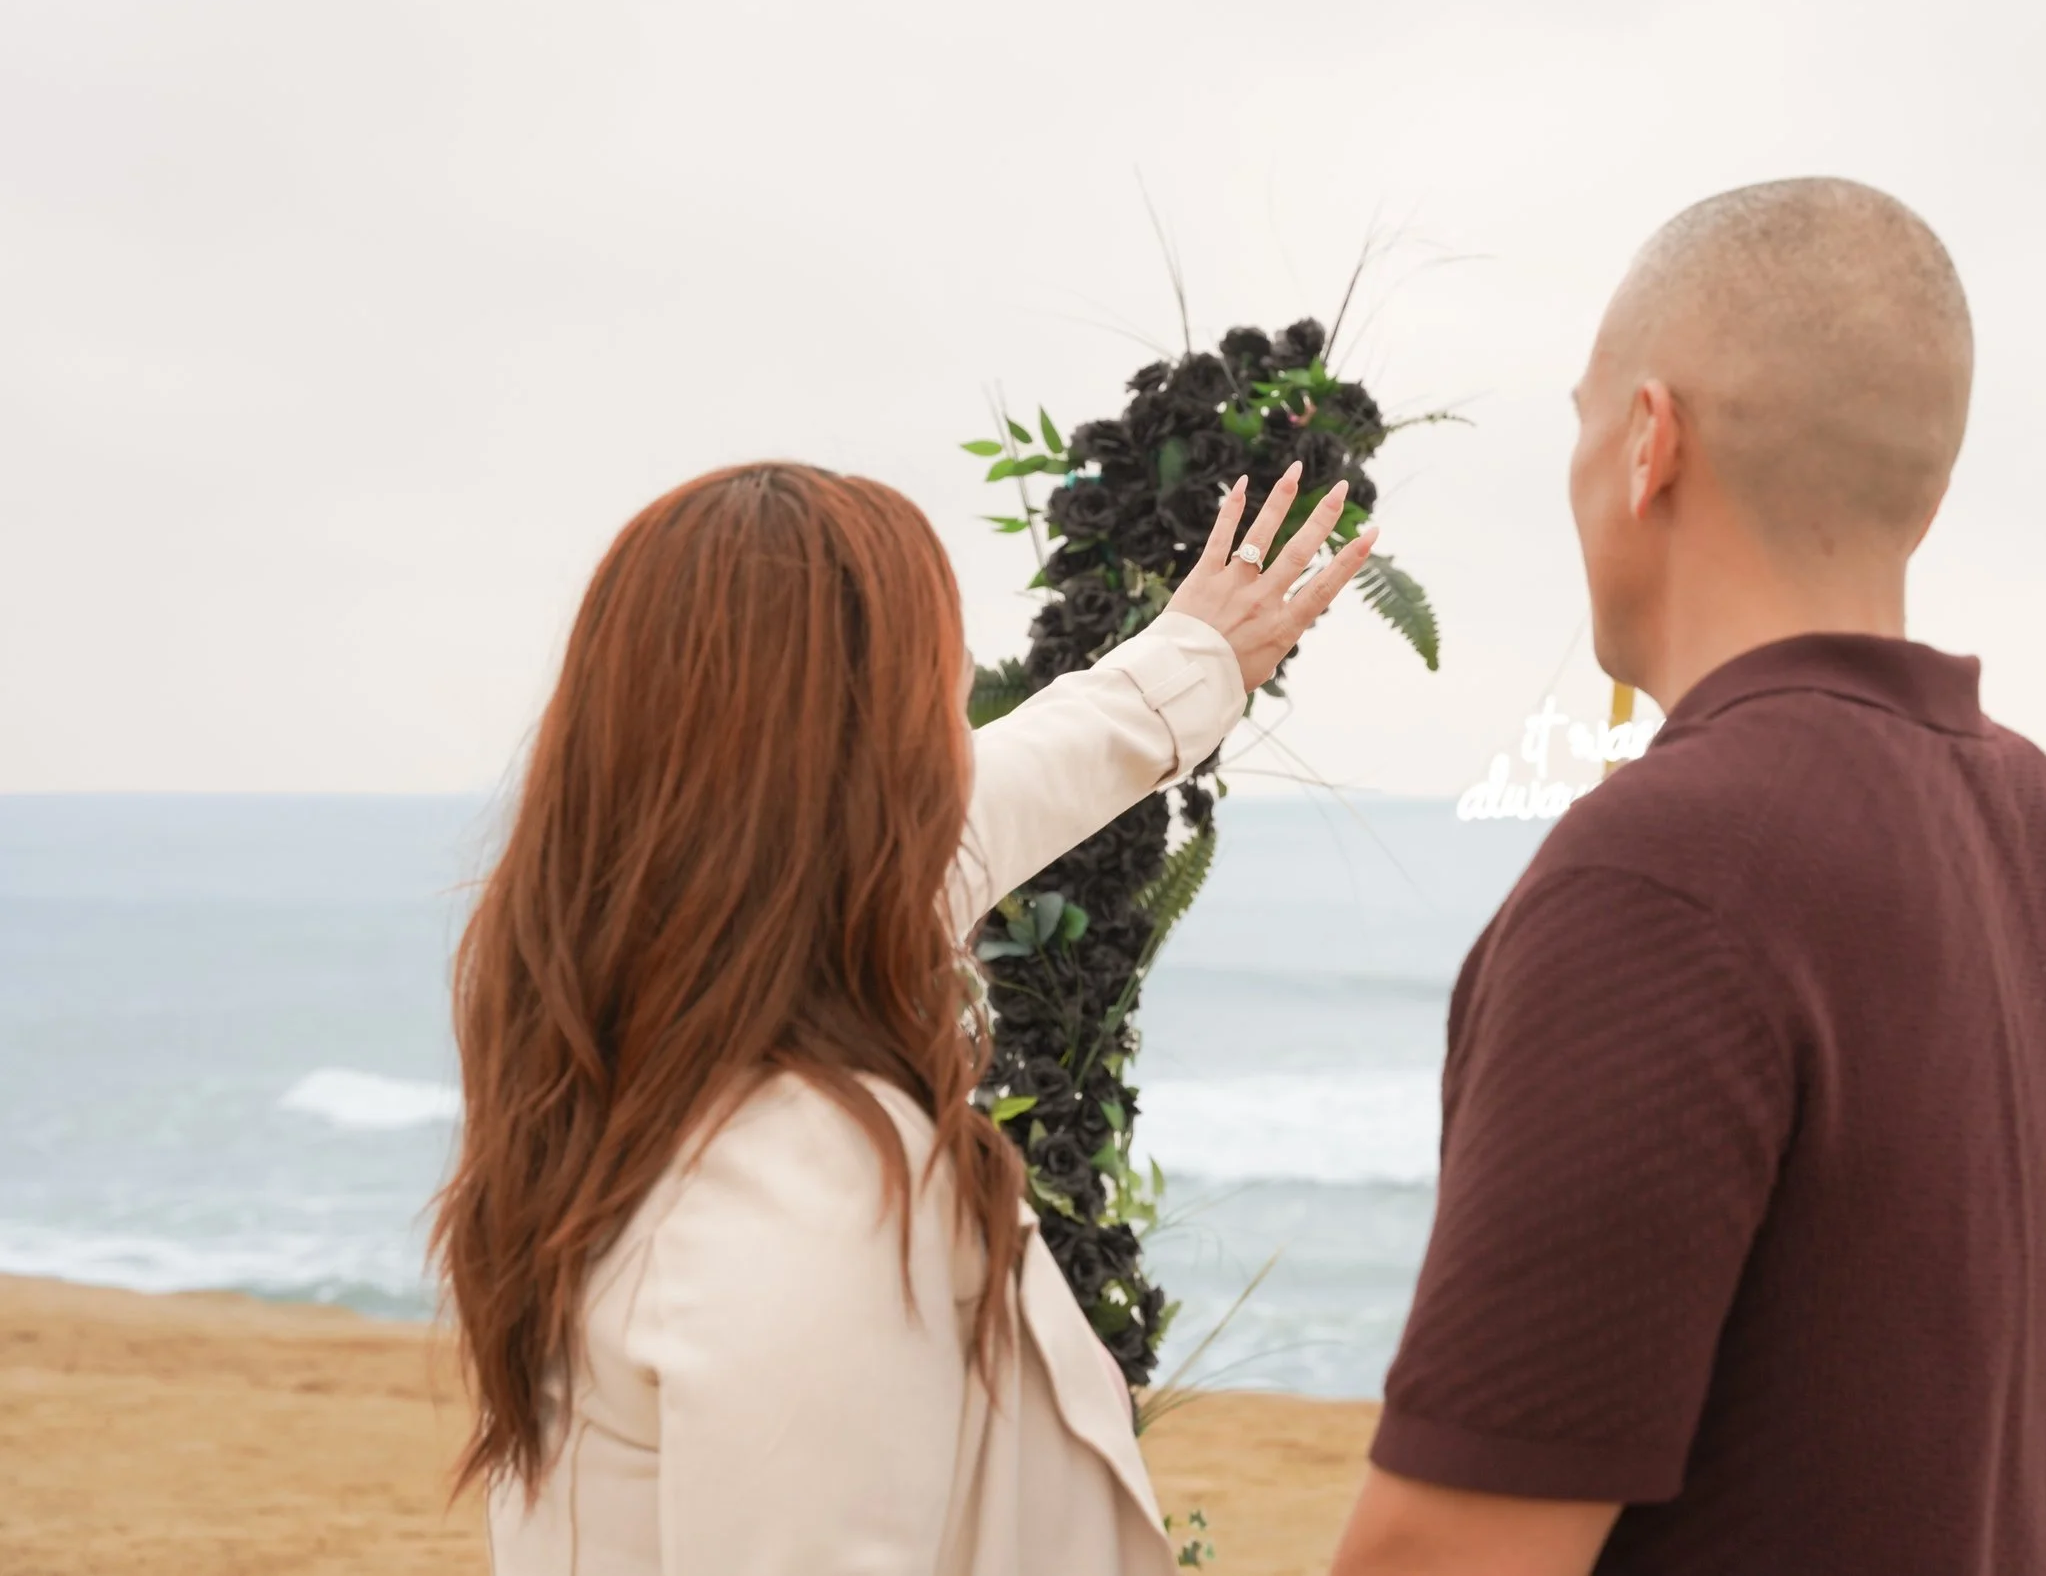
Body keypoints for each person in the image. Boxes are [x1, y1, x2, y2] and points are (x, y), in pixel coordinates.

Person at [1328, 178, 2046, 1576]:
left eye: (1582, 420)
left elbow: (1450, 1551)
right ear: (1925, 487)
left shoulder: (1664, 877)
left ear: (1647, 443)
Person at [433, 457, 1375, 1574]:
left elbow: (1017, 779)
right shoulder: (812, 1200)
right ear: (864, 767)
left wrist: (1196, 657)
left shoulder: (626, 999)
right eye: (937, 679)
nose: (965, 697)